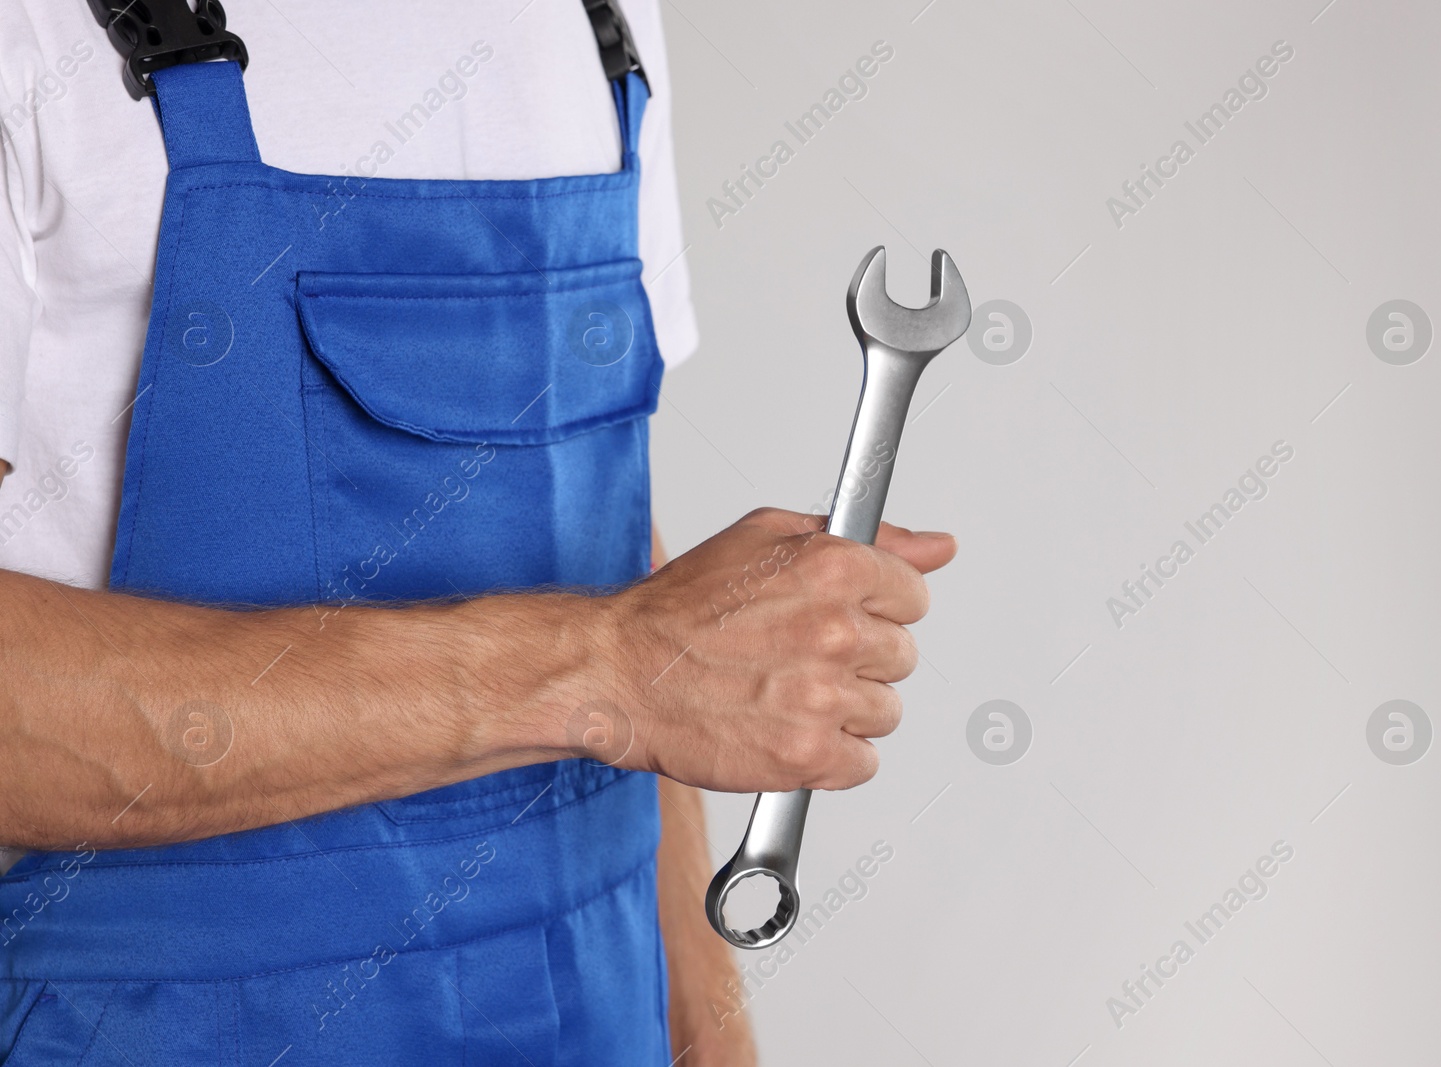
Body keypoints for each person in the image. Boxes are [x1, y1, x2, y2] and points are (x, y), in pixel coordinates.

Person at [0, 1, 957, 1064]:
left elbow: (612, 541)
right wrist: (610, 667)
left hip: (599, 1009)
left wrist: (706, 1028)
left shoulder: (604, 21)